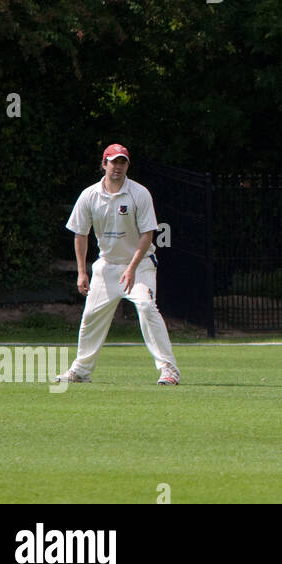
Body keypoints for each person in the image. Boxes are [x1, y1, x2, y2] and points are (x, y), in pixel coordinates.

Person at [56, 144, 181, 385]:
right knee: (91, 316)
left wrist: (132, 268)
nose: (117, 167)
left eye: (122, 162)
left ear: (127, 166)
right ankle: (81, 371)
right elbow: (80, 234)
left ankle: (168, 369)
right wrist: (82, 272)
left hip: (140, 264)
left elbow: (147, 234)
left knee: (146, 306)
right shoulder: (89, 195)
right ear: (104, 164)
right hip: (106, 266)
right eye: (113, 162)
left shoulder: (139, 193)